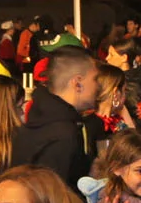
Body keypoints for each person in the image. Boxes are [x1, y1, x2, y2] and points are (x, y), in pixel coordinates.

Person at [11, 48, 100, 185]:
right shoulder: (63, 134)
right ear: (77, 83)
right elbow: (56, 199)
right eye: (95, 79)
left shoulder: (38, 121)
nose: (98, 86)